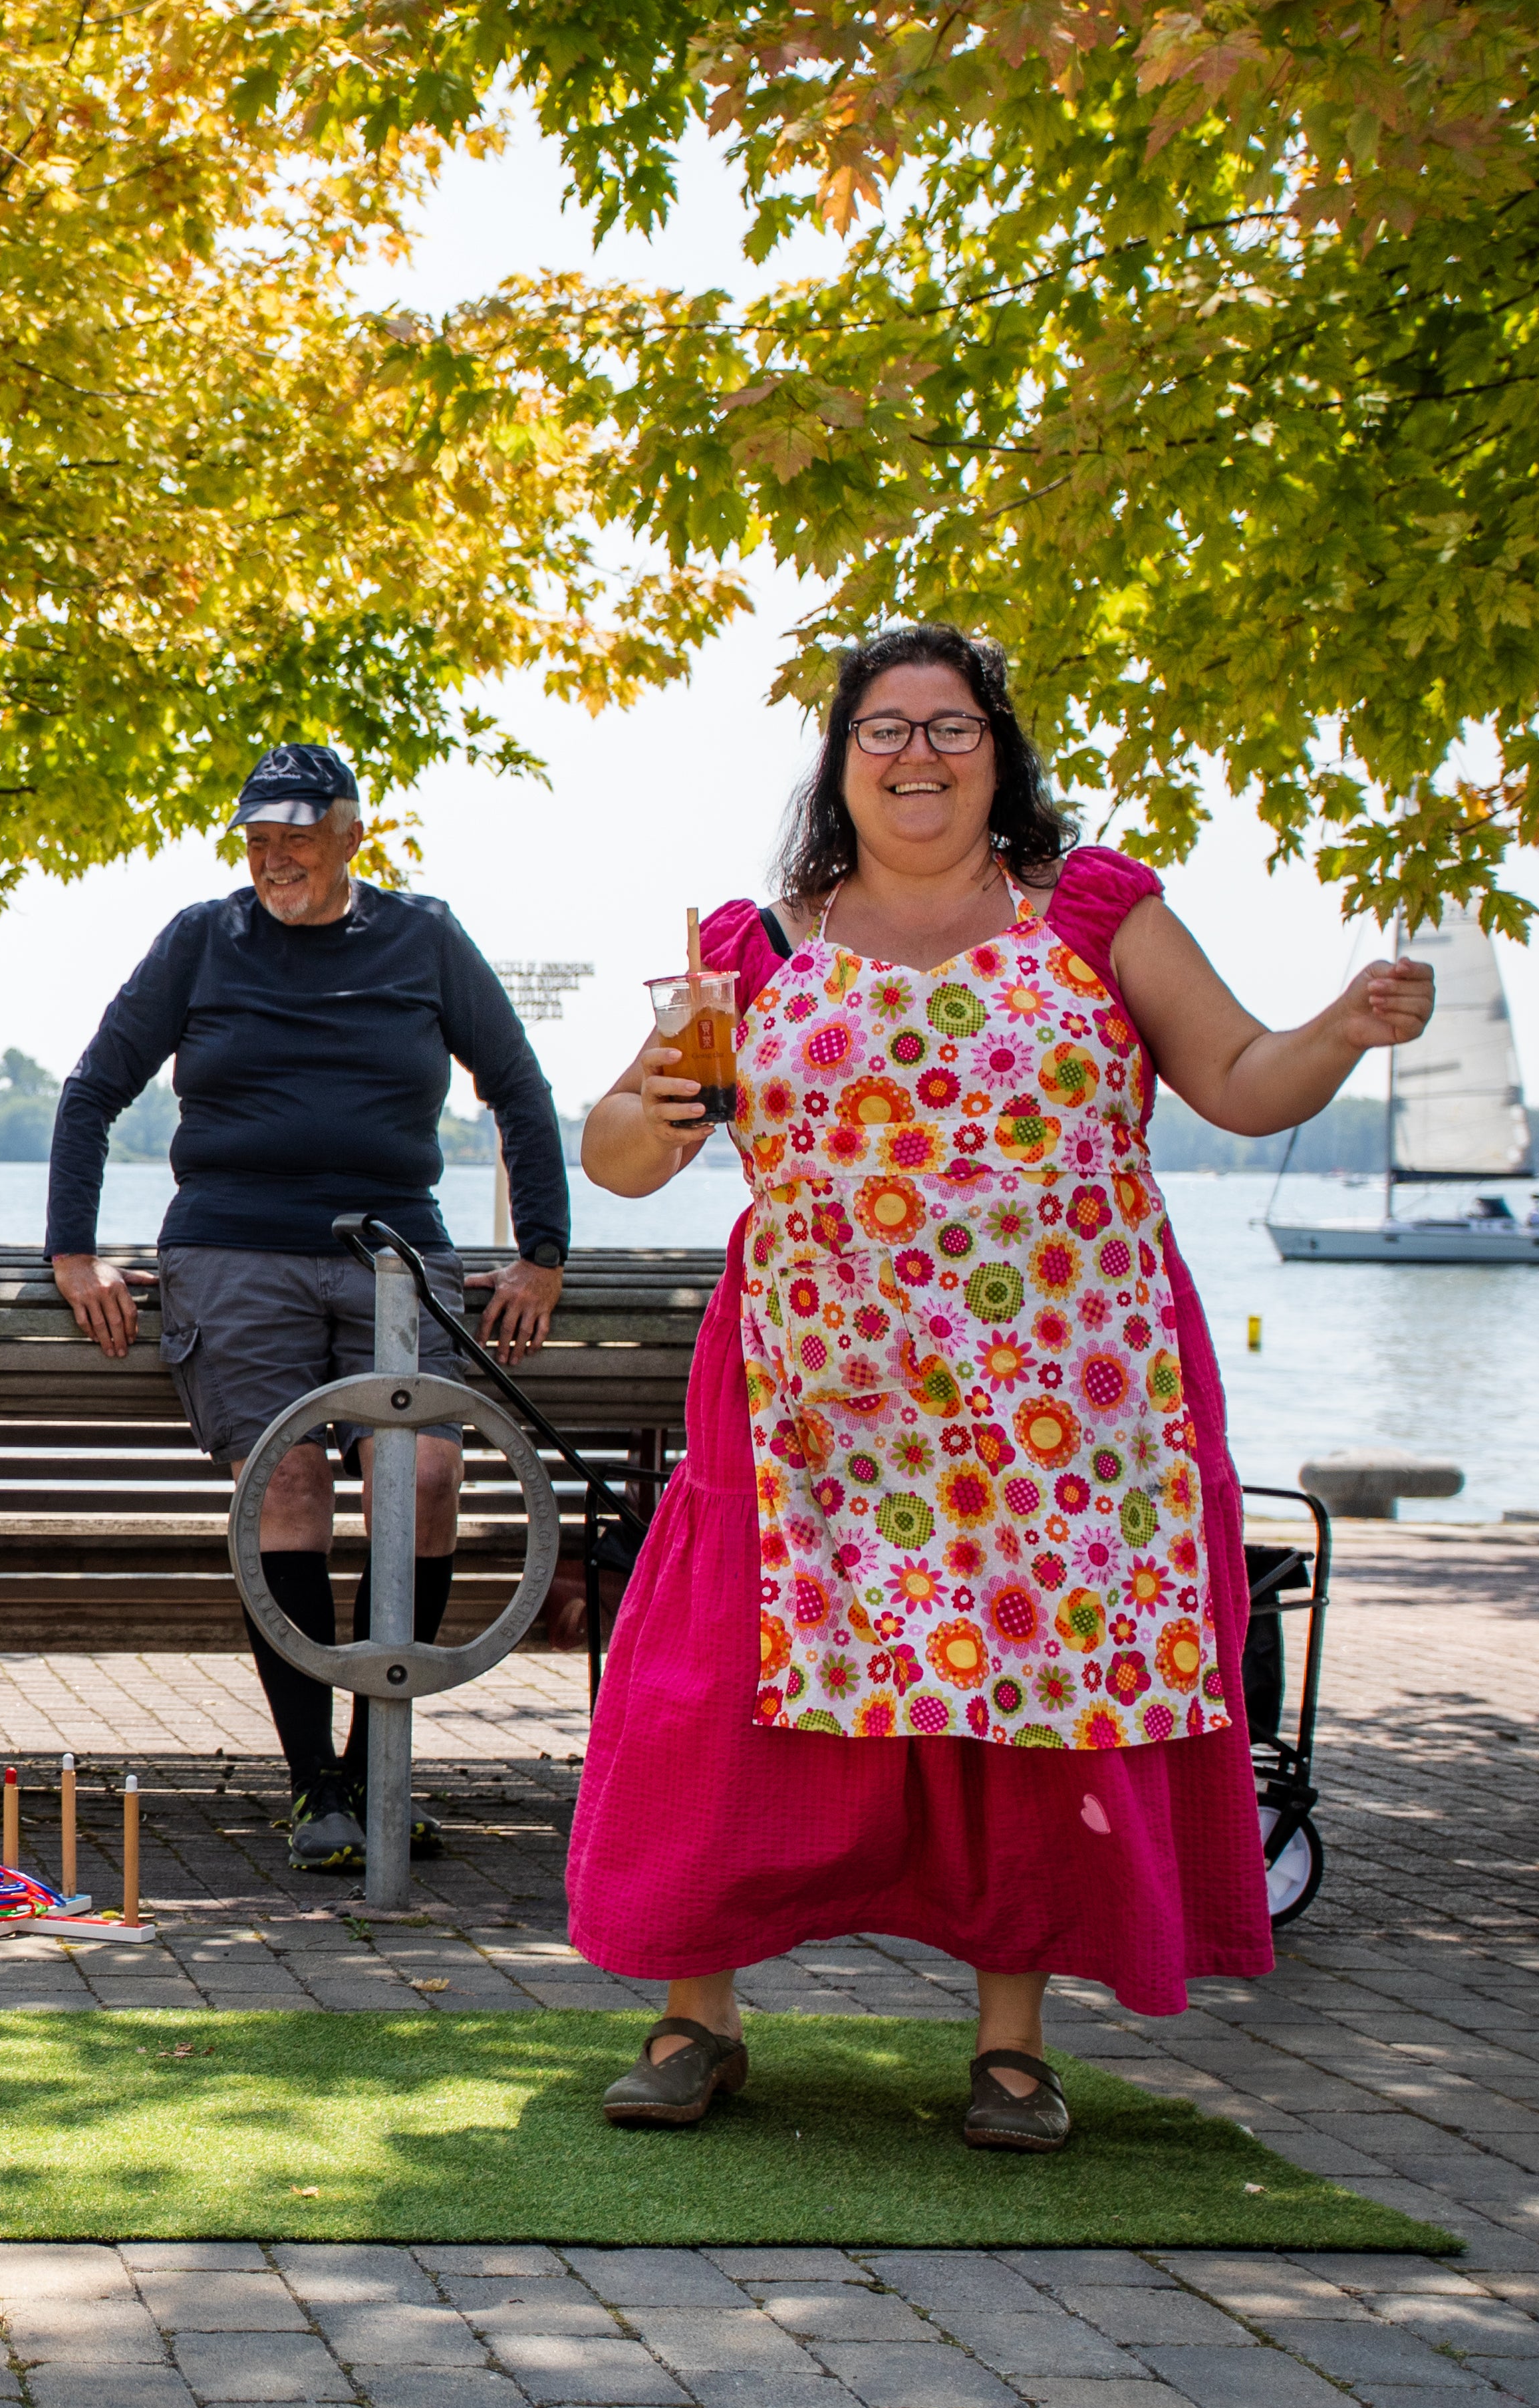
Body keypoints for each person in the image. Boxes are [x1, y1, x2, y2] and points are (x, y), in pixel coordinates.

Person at [571, 623, 1435, 2150]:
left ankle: (1013, 2045)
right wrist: (647, 1102)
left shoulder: (1096, 913)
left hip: (1059, 1404)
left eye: (950, 727)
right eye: (885, 729)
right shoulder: (754, 947)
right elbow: (625, 1159)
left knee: (1029, 1702)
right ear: (840, 762)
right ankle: (693, 2021)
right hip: (813, 1402)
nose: (917, 754)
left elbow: (1237, 1078)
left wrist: (1339, 1033)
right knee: (720, 1695)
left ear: (999, 752)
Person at [45, 742, 569, 1871]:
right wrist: (73, 1252)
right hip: (233, 1250)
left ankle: (382, 1763)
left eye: (294, 834)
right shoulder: (203, 937)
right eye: (256, 837)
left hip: (395, 1248)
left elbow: (520, 1091)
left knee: (424, 1473)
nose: (272, 856)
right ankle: (315, 1785)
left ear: (349, 835)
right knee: (286, 1476)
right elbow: (92, 1091)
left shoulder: (424, 936)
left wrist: (544, 1255)